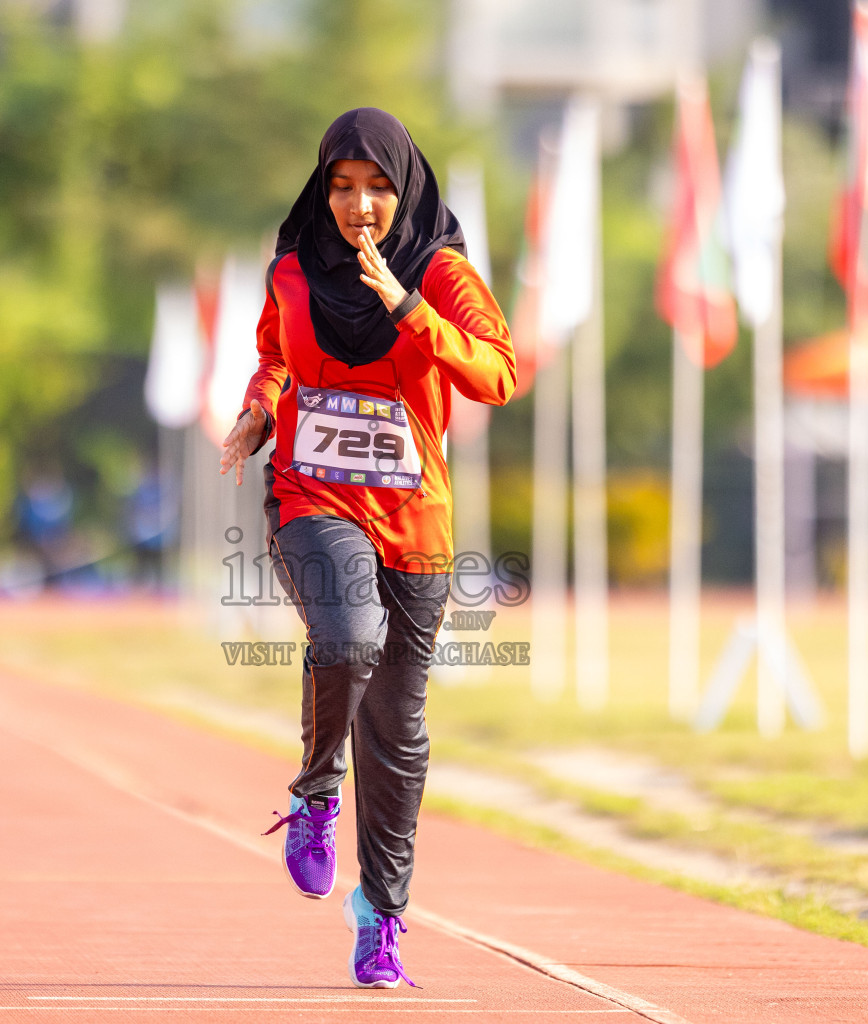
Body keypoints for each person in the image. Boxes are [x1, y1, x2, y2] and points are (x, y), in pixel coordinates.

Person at [219, 108, 515, 988]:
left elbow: (497, 374)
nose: (359, 206)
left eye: (377, 187)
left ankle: (381, 918)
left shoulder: (443, 272)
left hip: (413, 522)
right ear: (323, 188)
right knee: (346, 635)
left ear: (405, 189)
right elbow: (277, 358)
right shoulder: (291, 270)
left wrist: (408, 307)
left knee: (398, 733)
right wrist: (259, 407)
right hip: (311, 499)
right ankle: (315, 794)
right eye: (343, 187)